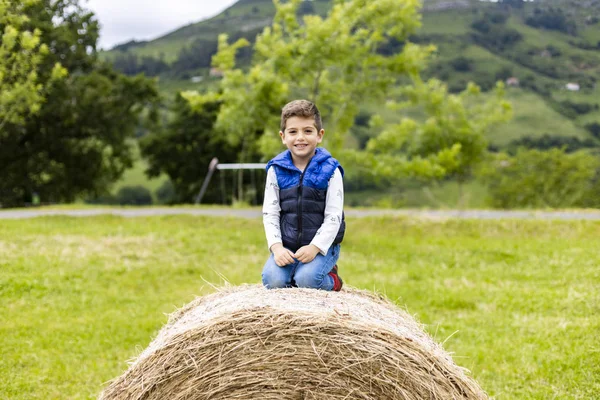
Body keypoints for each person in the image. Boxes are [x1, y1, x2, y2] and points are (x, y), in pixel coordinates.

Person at [261, 99, 345, 291]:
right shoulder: (275, 170)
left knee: (307, 281)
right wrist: (277, 248)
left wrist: (315, 247)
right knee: (272, 281)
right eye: (293, 132)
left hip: (321, 247)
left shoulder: (331, 170)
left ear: (319, 135)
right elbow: (270, 214)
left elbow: (334, 217)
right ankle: (293, 272)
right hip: (288, 246)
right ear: (283, 136)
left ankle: (332, 279)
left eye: (308, 131)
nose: (300, 137)